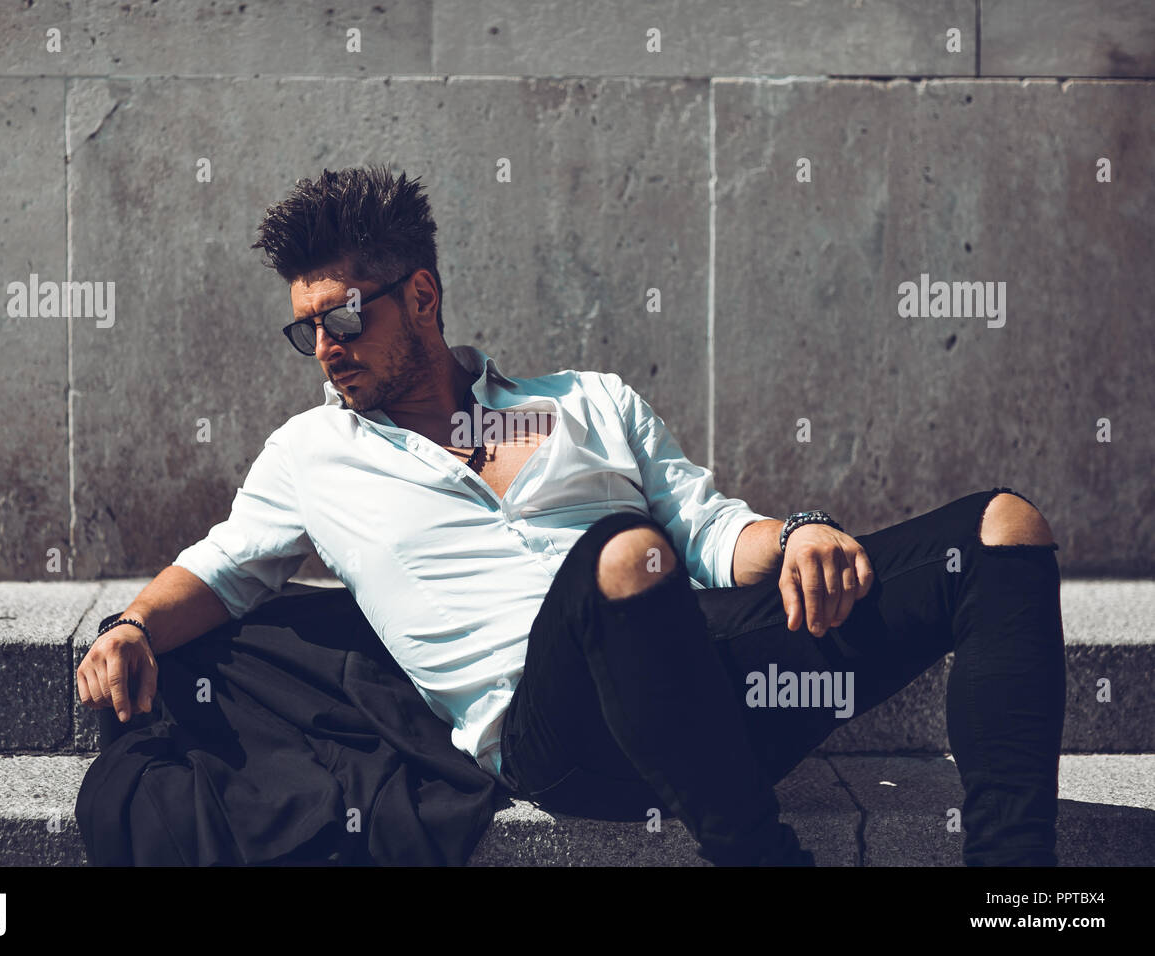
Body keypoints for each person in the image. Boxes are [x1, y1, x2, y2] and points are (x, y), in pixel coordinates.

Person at [76, 164, 1066, 867]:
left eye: (342, 317)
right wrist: (129, 626)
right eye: (306, 330)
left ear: (420, 294)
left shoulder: (586, 400)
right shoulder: (312, 455)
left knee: (999, 528)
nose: (325, 348)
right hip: (567, 741)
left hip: (711, 679)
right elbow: (221, 568)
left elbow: (712, 531)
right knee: (620, 554)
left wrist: (802, 529)